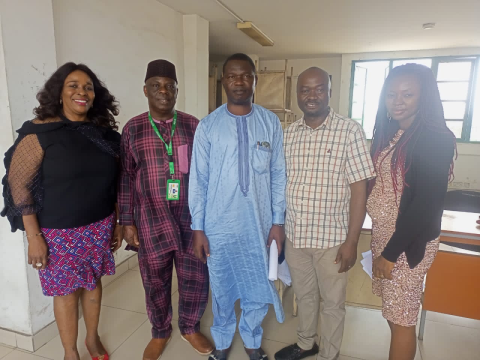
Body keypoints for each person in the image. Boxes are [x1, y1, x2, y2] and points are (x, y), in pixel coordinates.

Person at [1, 62, 123, 360]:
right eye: (73, 85)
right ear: (59, 92)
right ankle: (71, 352)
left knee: (93, 285)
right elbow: (19, 187)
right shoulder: (40, 133)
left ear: (95, 96)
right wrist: (34, 237)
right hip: (58, 232)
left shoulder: (104, 134)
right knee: (66, 294)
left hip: (100, 225)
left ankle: (92, 340)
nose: (82, 91)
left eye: (88, 87)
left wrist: (118, 221)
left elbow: (118, 180)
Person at [189, 53, 286, 360]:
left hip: (257, 224)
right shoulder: (208, 126)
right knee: (222, 286)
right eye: (232, 76)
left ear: (255, 80)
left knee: (257, 283)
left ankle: (252, 339)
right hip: (219, 226)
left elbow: (278, 174)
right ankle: (222, 339)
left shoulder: (269, 123)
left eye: (246, 76)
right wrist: (198, 228)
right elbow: (199, 180)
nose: (240, 82)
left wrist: (278, 222)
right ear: (224, 82)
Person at [275, 67, 375, 360]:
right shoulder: (289, 134)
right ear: (297, 95)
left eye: (319, 89)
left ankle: (328, 355)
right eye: (305, 89)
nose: (312, 95)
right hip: (296, 236)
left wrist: (352, 241)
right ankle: (306, 344)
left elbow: (360, 189)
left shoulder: (349, 130)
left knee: (332, 303)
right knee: (304, 296)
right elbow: (281, 182)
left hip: (333, 239)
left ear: (330, 92)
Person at [118, 59, 213, 360]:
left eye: (169, 86)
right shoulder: (133, 128)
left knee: (194, 277)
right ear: (145, 90)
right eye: (156, 86)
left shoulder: (193, 125)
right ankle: (160, 332)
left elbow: (206, 173)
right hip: (150, 219)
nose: (163, 91)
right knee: (154, 280)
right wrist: (126, 220)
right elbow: (125, 176)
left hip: (189, 218)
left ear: (176, 90)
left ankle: (189, 326)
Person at [366, 64, 455, 360]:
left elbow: (425, 205)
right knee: (393, 314)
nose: (398, 100)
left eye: (408, 94)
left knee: (402, 319)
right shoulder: (394, 131)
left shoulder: (434, 137)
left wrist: (390, 254)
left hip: (406, 245)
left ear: (424, 97)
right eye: (391, 94)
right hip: (386, 237)